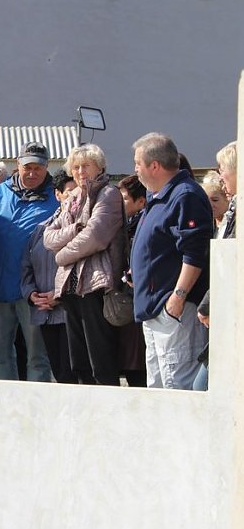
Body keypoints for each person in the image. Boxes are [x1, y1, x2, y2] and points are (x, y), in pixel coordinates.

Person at [131, 132, 212, 390]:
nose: (135, 170)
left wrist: (178, 296)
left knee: (177, 385)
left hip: (174, 310)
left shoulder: (185, 195)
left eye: (137, 164)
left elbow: (195, 251)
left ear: (154, 165)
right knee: (159, 386)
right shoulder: (160, 196)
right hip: (155, 310)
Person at [43, 143, 125, 386]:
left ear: (99, 167)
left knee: (99, 356)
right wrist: (75, 229)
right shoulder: (73, 198)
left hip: (95, 283)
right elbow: (48, 237)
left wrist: (61, 256)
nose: (80, 172)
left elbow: (96, 237)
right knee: (78, 360)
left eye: (86, 166)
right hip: (70, 286)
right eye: (76, 167)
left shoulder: (108, 194)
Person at [0, 142, 58, 382]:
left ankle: (36, 411)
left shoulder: (56, 198)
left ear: (46, 168)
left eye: (38, 167)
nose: (32, 172)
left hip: (35, 291)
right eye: (27, 166)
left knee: (38, 357)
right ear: (17, 165)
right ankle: (4, 409)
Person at [21, 170, 79, 384]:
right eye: (69, 193)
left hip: (70, 312)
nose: (73, 198)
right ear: (57, 195)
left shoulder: (83, 228)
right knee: (55, 369)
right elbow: (26, 265)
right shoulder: (40, 229)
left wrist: (60, 295)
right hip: (44, 313)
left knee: (71, 373)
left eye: (78, 192)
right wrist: (31, 294)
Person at [194, 141, 238, 390]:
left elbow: (230, 265)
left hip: (231, 313)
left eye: (223, 168)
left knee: (202, 387)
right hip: (225, 311)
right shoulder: (234, 210)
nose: (220, 176)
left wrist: (208, 304)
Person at [116, 174, 148, 387]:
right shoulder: (122, 225)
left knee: (139, 365)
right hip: (125, 302)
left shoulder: (142, 226)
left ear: (141, 201)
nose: (120, 204)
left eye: (125, 199)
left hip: (139, 298)